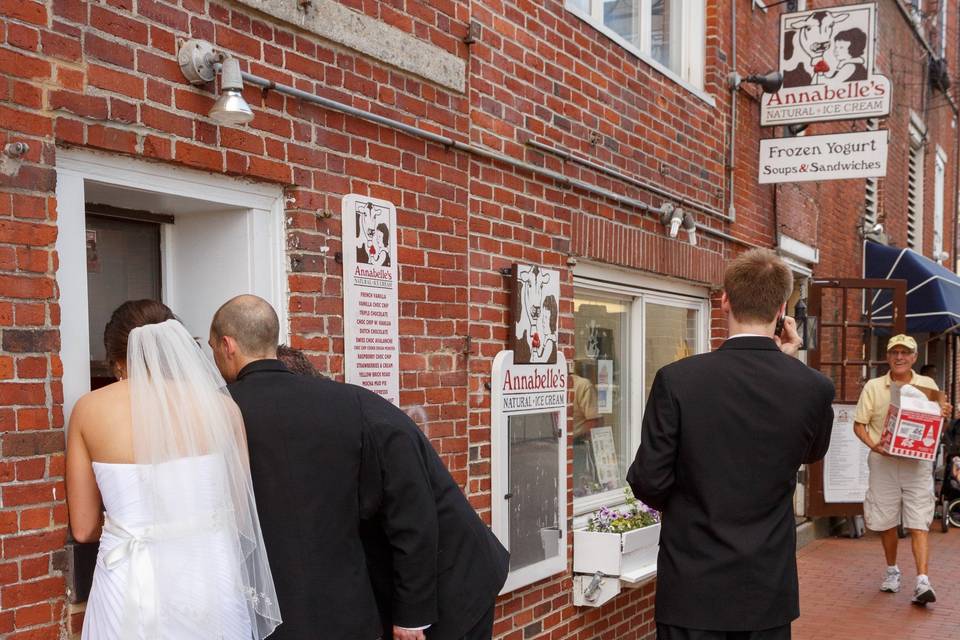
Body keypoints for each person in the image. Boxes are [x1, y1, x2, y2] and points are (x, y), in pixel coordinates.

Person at [627, 249, 835, 640]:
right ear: (781, 309)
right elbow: (811, 452)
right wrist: (787, 360)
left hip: (692, 585)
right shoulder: (813, 387)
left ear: (724, 298)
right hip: (766, 588)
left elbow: (649, 481)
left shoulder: (678, 380)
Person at [66, 300, 280, 639]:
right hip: (209, 580)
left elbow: (83, 528)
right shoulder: (222, 409)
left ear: (118, 361)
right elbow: (241, 512)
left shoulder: (89, 410)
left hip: (130, 582)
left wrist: (135, 525)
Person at [209, 295, 383, 640]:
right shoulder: (348, 401)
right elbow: (374, 497)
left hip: (268, 614)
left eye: (213, 347)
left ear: (227, 345)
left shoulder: (218, 410)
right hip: (350, 609)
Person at [853, 334, 950, 605]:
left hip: (916, 463)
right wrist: (875, 446)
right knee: (886, 520)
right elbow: (859, 425)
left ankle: (922, 581)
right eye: (894, 352)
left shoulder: (928, 385)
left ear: (914, 357)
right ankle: (892, 570)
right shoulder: (873, 386)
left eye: (905, 353)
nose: (899, 357)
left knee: (919, 520)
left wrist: (944, 412)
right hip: (883, 461)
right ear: (887, 356)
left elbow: (936, 419)